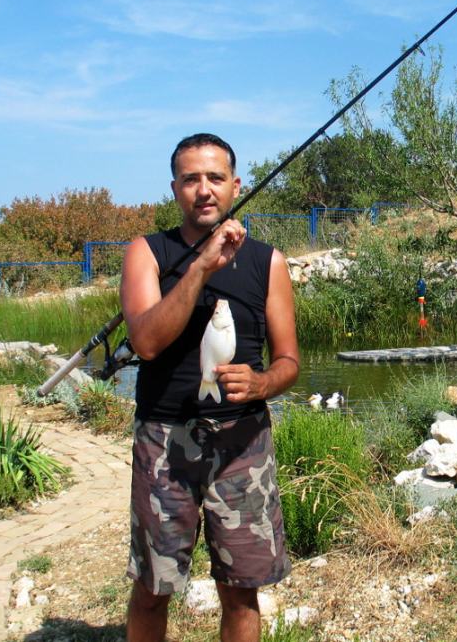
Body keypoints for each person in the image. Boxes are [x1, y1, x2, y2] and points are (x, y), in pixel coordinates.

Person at [120, 133, 299, 642]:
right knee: (153, 589)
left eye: (215, 178)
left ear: (235, 186)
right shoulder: (147, 253)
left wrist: (262, 383)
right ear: (174, 189)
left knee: (241, 592)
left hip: (242, 445)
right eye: (191, 179)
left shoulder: (268, 262)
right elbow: (146, 342)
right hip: (164, 441)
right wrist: (201, 266)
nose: (204, 190)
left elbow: (289, 362)